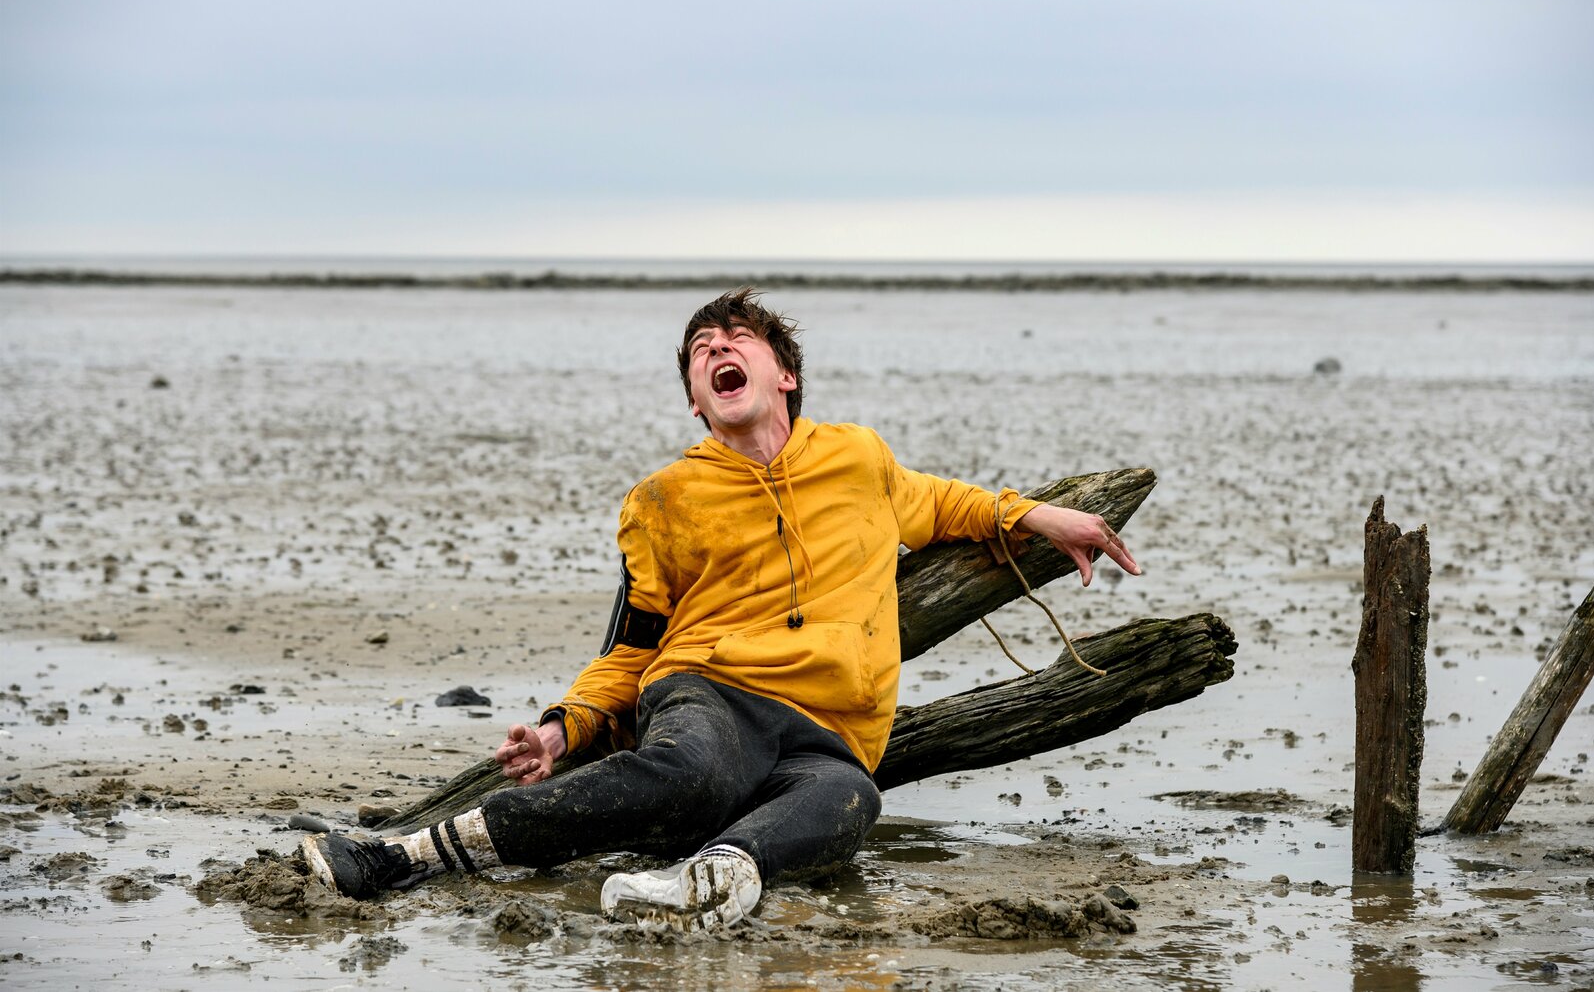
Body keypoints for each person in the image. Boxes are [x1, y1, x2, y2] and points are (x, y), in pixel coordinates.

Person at [302, 287, 1139, 929]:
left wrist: (1039, 514)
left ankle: (713, 877)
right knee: (695, 771)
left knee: (851, 802)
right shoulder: (663, 498)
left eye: (737, 338)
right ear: (697, 402)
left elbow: (946, 502)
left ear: (785, 376)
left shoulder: (859, 457)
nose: (716, 348)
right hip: (713, 693)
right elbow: (633, 643)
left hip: (833, 732)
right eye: (702, 351)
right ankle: (406, 854)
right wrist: (564, 727)